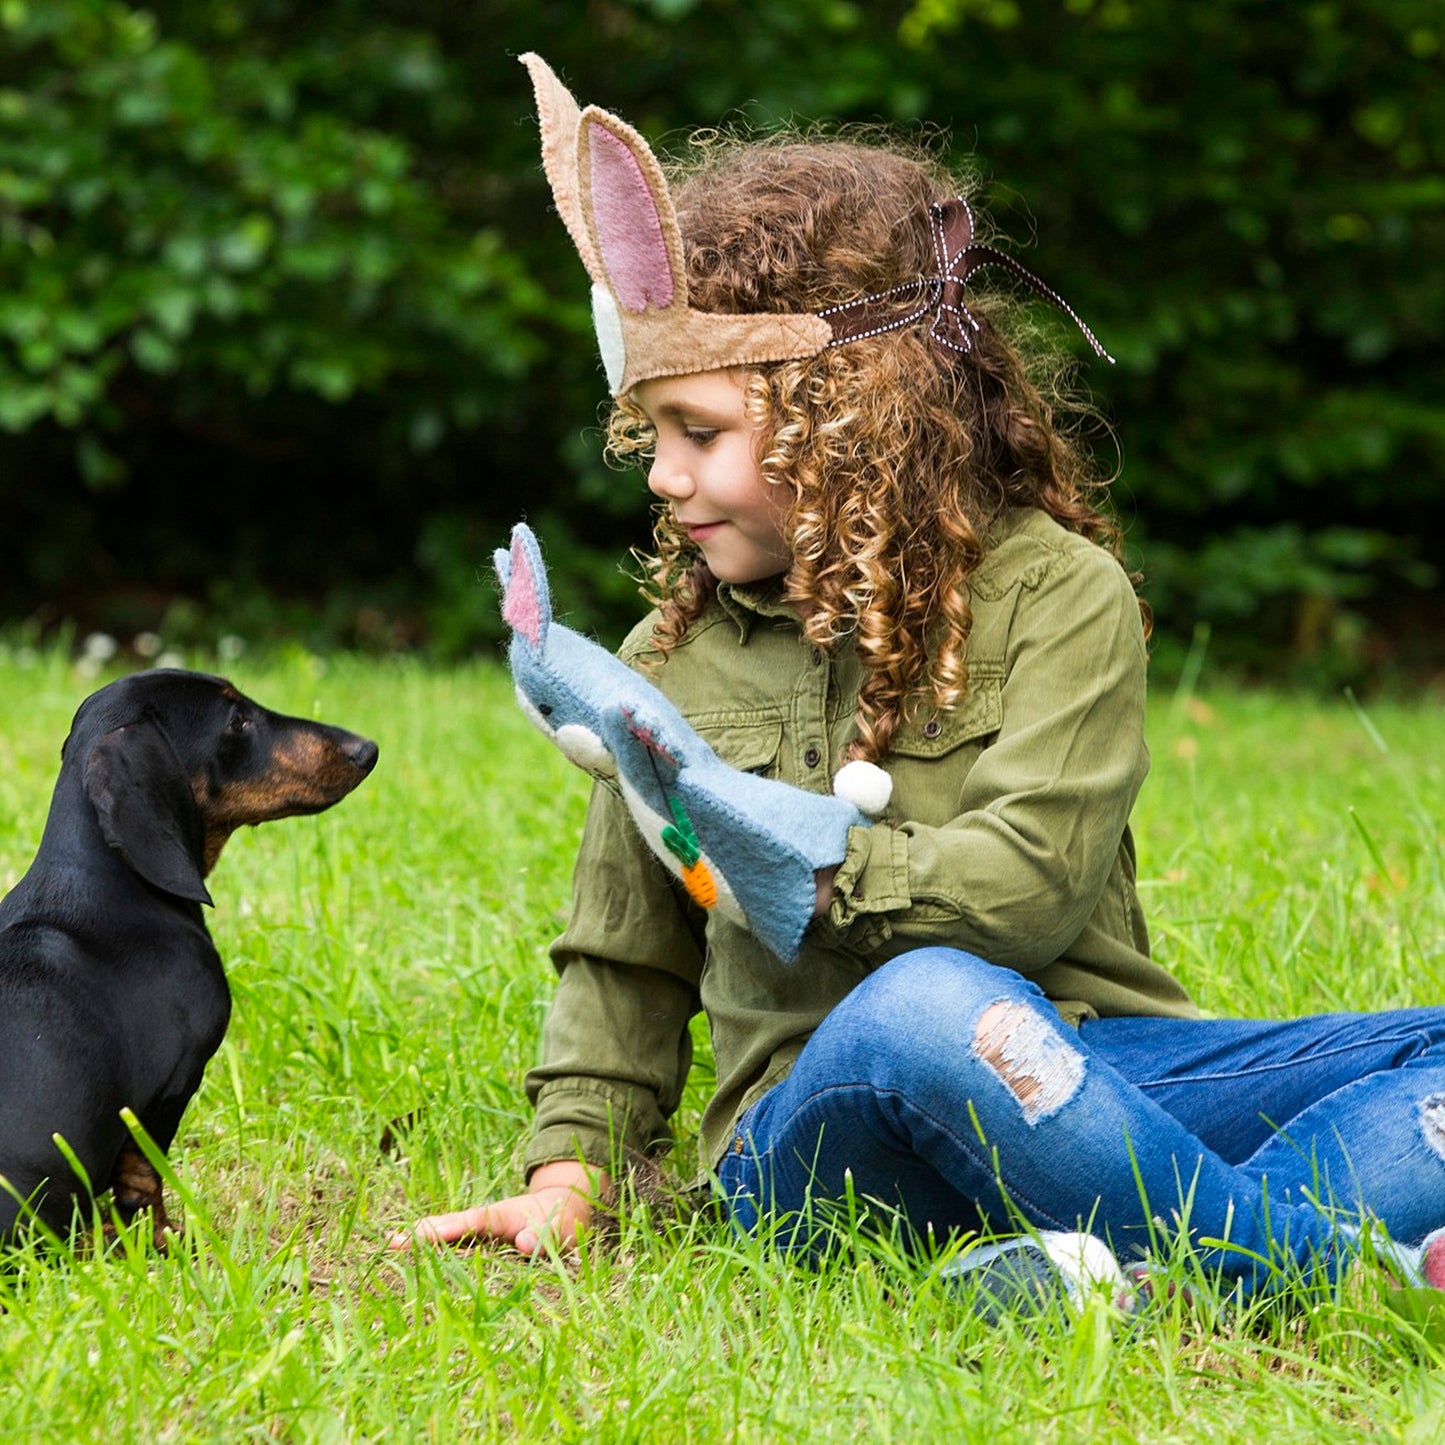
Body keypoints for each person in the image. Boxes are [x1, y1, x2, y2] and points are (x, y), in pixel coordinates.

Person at [392, 55, 1445, 1310]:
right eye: (650, 433)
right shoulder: (669, 659)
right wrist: (574, 1171)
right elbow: (625, 956)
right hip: (827, 1142)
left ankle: (1096, 1269)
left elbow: (1028, 892)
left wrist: (802, 857)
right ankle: (1329, 1273)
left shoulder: (1061, 595)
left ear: (850, 413)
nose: (662, 477)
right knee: (922, 1004)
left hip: (1086, 1082)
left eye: (700, 432)